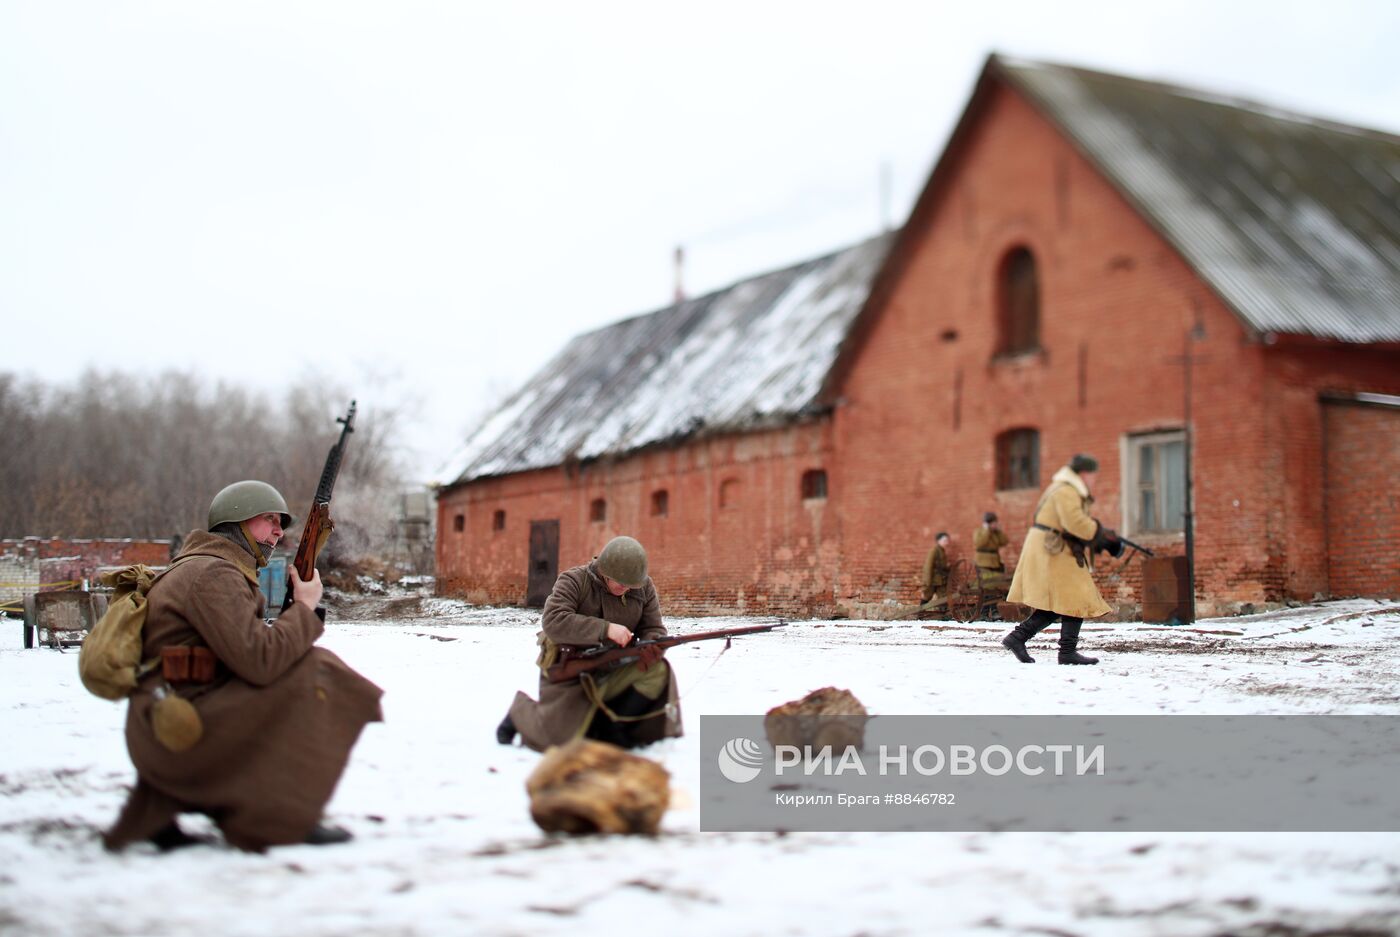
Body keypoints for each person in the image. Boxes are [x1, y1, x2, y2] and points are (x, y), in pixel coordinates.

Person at [103, 480, 384, 852]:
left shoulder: (207, 566)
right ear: (236, 521)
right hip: (176, 727)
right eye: (269, 520)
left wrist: (295, 613)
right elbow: (260, 662)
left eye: (280, 523)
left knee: (301, 666)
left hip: (167, 716)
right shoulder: (213, 574)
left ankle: (193, 806)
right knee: (319, 671)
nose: (278, 532)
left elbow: (242, 649)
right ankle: (277, 816)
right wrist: (303, 608)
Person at [497, 535, 682, 751]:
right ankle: (520, 712)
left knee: (657, 670)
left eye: (632, 585)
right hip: (571, 669)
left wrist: (652, 645)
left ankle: (611, 727)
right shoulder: (574, 580)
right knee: (558, 742)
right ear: (605, 571)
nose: (627, 589)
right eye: (622, 583)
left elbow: (653, 628)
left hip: (614, 667)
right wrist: (605, 629)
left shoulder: (642, 586)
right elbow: (553, 620)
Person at [1002, 454, 1111, 665]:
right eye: (1092, 475)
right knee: (1075, 595)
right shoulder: (1067, 490)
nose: (1094, 480)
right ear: (1083, 473)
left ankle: (1018, 638)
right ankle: (1066, 651)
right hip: (1052, 548)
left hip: (1054, 546)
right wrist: (1100, 533)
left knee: (1062, 600)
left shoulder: (1064, 488)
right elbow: (1076, 523)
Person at [918, 532, 952, 607]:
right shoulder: (933, 551)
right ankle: (920, 615)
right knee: (926, 596)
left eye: (947, 540)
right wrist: (927, 581)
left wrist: (948, 567)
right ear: (938, 541)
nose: (947, 542)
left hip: (941, 580)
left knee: (943, 598)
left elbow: (941, 566)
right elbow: (928, 566)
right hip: (933, 580)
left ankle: (943, 617)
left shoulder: (942, 551)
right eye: (945, 540)